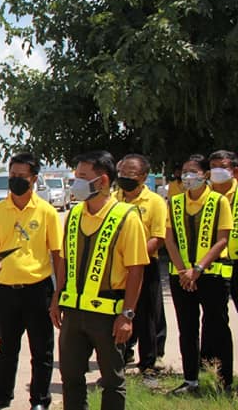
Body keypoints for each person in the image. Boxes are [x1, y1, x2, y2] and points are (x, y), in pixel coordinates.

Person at [51, 150, 148, 410]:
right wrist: (56, 297)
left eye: (82, 177)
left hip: (108, 315)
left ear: (102, 180)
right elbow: (65, 260)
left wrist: (127, 315)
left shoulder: (126, 217)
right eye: (75, 176)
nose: (76, 183)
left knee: (112, 381)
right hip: (73, 313)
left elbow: (136, 270)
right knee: (71, 377)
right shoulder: (74, 215)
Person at [0, 153, 60, 410]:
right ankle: (1, 395)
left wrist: (58, 294)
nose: (15, 180)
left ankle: (40, 400)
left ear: (34, 179)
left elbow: (57, 255)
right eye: (12, 175)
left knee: (42, 351)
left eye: (21, 176)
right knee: (6, 348)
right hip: (6, 292)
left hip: (38, 291)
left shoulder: (46, 212)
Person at [164, 153, 233, 394]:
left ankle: (224, 381)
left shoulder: (218, 201)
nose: (187, 177)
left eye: (193, 172)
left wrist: (198, 269)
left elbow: (222, 240)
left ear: (205, 175)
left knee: (217, 328)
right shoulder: (175, 202)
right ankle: (190, 380)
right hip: (181, 277)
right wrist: (184, 271)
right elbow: (169, 239)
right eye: (184, 172)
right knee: (187, 329)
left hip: (211, 275)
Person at [114, 154, 167, 379]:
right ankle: (119, 361)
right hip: (117, 268)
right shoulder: (113, 199)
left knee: (146, 317)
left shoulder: (154, 202)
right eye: (122, 173)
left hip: (145, 265)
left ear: (144, 177)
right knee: (117, 313)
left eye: (131, 174)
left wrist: (134, 255)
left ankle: (148, 365)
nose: (125, 177)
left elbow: (158, 237)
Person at [207, 150, 238, 316]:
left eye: (223, 167)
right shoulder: (203, 195)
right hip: (211, 262)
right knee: (215, 317)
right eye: (213, 166)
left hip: (236, 258)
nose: (217, 171)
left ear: (234, 170)